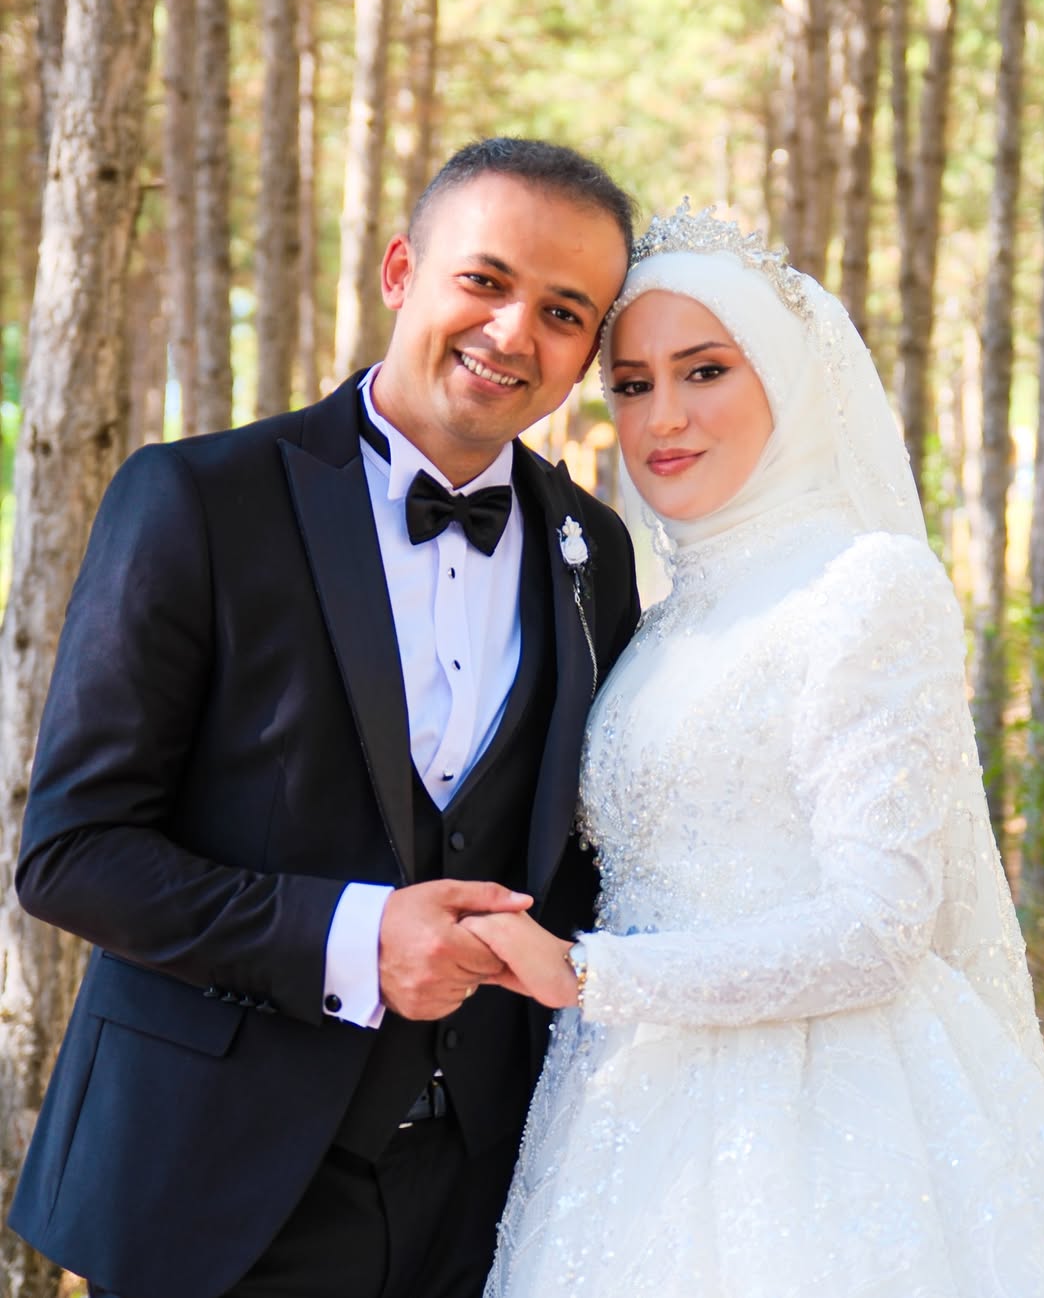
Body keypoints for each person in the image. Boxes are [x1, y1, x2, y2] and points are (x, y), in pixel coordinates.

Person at [8, 138, 642, 1298]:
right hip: (213, 1185)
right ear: (402, 270)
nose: (514, 332)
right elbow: (73, 854)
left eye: (564, 312)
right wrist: (355, 937)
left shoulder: (591, 547)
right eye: (485, 279)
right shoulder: (198, 498)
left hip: (485, 1198)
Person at [464, 205, 1044, 1297]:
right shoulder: (659, 621)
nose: (664, 416)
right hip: (627, 1111)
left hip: (823, 1115)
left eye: (705, 370)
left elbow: (880, 926)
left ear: (788, 378)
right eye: (633, 383)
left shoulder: (861, 584)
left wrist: (591, 971)